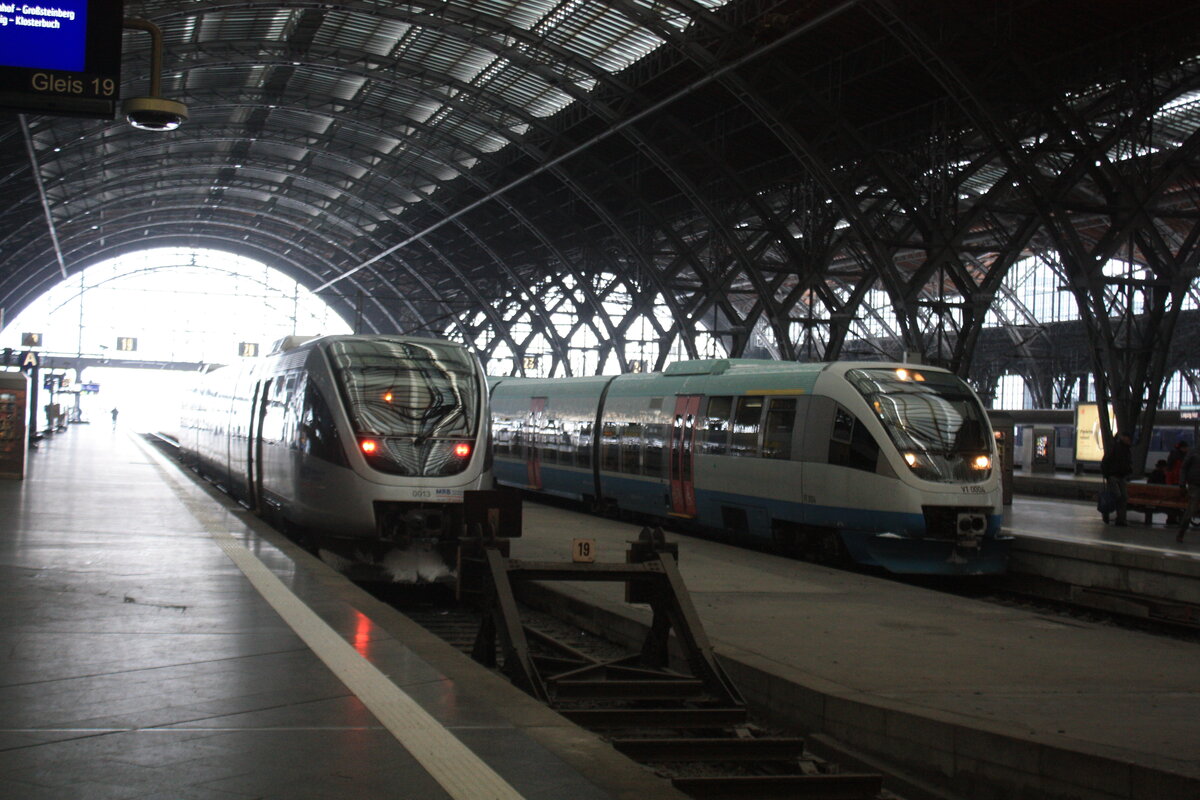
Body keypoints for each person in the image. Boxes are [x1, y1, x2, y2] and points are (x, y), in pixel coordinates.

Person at [1100, 431, 1133, 526]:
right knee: (1118, 497)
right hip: (1113, 476)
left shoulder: (1126, 450)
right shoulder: (1116, 448)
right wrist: (1107, 475)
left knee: (1122, 497)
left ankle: (1121, 519)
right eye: (1128, 439)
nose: (1129, 441)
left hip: (1121, 476)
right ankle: (1117, 518)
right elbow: (1106, 462)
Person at [1177, 448, 1200, 543]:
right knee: (1191, 509)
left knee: (1191, 508)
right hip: (1195, 484)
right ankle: (1181, 532)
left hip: (1194, 483)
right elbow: (1184, 468)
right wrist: (1182, 484)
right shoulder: (1194, 452)